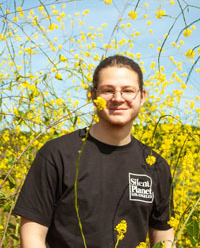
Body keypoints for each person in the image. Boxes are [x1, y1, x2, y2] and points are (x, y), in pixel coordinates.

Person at [13, 55, 175, 248]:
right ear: (92, 95)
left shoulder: (155, 165)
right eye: (108, 90)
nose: (117, 98)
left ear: (142, 96)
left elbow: (163, 235)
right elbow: (32, 236)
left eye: (128, 90)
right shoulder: (57, 154)